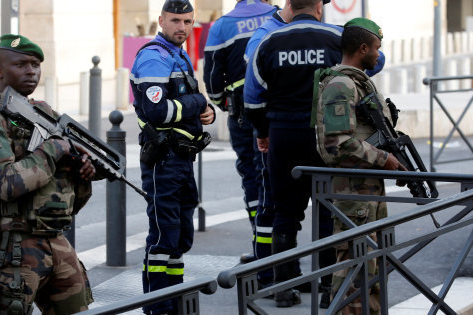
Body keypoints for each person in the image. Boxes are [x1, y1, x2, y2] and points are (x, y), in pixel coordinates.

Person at [0, 34, 96, 314]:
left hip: (55, 239)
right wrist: (54, 149)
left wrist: (81, 171)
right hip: (11, 250)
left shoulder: (40, 113)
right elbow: (6, 184)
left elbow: (66, 194)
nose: (31, 71)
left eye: (35, 64)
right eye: (21, 64)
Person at [243, 0, 343, 308]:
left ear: (290, 6)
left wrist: (262, 133)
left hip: (283, 136)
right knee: (327, 211)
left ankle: (283, 288)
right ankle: (329, 287)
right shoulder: (337, 38)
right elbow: (373, 62)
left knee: (285, 212)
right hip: (325, 136)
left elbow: (252, 97)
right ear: (318, 7)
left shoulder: (270, 41)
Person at [314, 17, 407, 314]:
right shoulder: (341, 84)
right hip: (353, 186)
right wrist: (384, 159)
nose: (379, 55)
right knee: (355, 261)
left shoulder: (355, 82)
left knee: (370, 261)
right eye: (377, 48)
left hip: (365, 185)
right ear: (363, 48)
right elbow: (336, 141)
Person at [130, 0, 216, 313]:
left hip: (182, 159)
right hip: (164, 159)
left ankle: (174, 300)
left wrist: (207, 112)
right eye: (175, 20)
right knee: (163, 237)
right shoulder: (154, 56)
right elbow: (157, 111)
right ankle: (157, 306)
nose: (181, 27)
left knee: (179, 238)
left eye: (187, 21)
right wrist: (197, 102)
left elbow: (188, 103)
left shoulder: (177, 56)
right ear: (161, 20)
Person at [202, 0, 276, 276]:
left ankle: (261, 250)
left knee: (252, 179)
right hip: (273, 110)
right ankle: (278, 253)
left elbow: (212, 77)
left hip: (242, 112)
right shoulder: (277, 17)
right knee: (272, 179)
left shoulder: (222, 26)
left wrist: (223, 103)